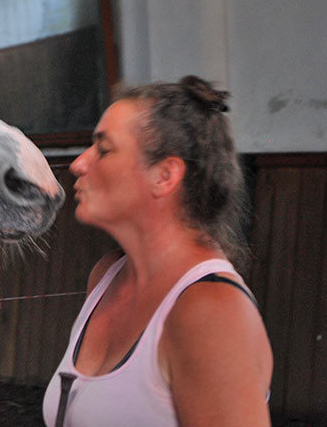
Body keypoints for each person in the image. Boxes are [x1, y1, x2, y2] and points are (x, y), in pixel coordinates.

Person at [43, 76, 273, 426]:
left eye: (103, 150)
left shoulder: (210, 312)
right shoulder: (107, 277)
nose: (79, 164)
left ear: (165, 175)